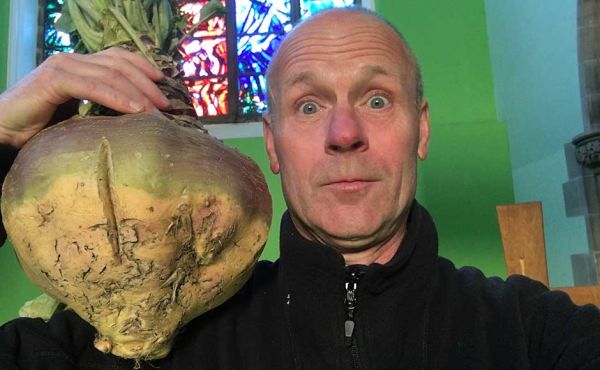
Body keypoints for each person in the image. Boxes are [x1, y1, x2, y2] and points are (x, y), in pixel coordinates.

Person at [1, 7, 599, 370]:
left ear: (421, 129)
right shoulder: (139, 335)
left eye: (375, 99)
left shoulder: (531, 333)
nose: (344, 134)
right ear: (272, 145)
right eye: (309, 106)